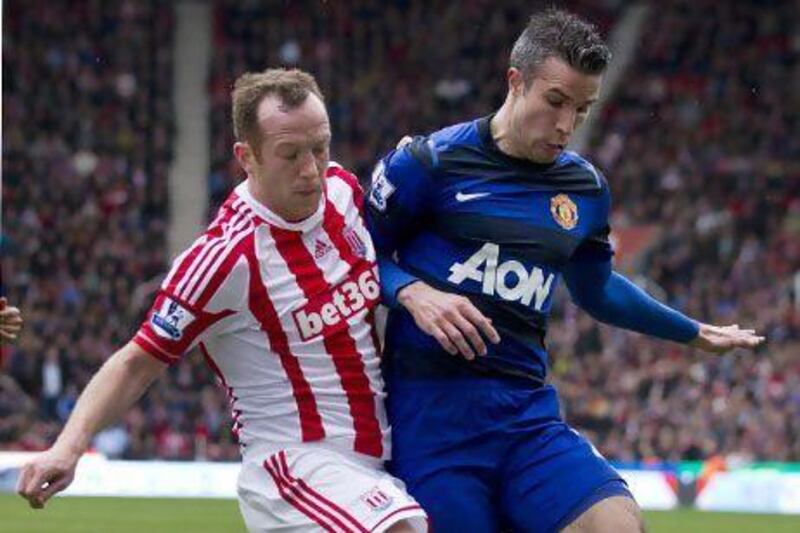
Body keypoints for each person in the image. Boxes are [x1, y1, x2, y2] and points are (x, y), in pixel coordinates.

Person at [366, 9, 764, 533]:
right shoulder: (428, 164)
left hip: (525, 415)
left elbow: (596, 291)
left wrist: (690, 332)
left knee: (617, 523)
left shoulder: (584, 189)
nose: (565, 125)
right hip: (432, 419)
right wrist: (412, 291)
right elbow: (354, 256)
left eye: (582, 109)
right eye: (555, 101)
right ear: (516, 81)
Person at [17, 68, 427, 533]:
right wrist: (68, 447)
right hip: (297, 467)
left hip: (379, 455)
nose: (311, 169)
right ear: (246, 157)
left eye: (320, 147)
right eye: (289, 155)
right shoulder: (224, 258)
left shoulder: (341, 191)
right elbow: (137, 361)